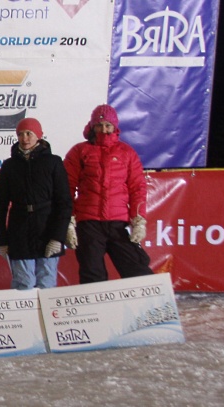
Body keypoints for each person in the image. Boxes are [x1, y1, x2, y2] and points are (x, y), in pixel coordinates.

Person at [63, 104, 152, 283]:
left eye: (108, 126)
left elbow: (137, 189)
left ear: (115, 127)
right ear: (92, 126)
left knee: (136, 269)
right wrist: (68, 221)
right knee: (92, 273)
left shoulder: (127, 152)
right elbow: (67, 188)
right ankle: (96, 311)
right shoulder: (80, 151)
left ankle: (147, 308)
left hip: (118, 223)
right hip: (89, 223)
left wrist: (139, 221)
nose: (104, 130)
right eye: (99, 125)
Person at [0, 118, 73, 289]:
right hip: (19, 231)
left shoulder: (53, 163)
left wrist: (58, 237)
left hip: (47, 229)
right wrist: (0, 239)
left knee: (47, 282)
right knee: (24, 283)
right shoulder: (9, 166)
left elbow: (64, 203)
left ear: (39, 135)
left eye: (29, 133)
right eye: (20, 134)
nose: (25, 138)